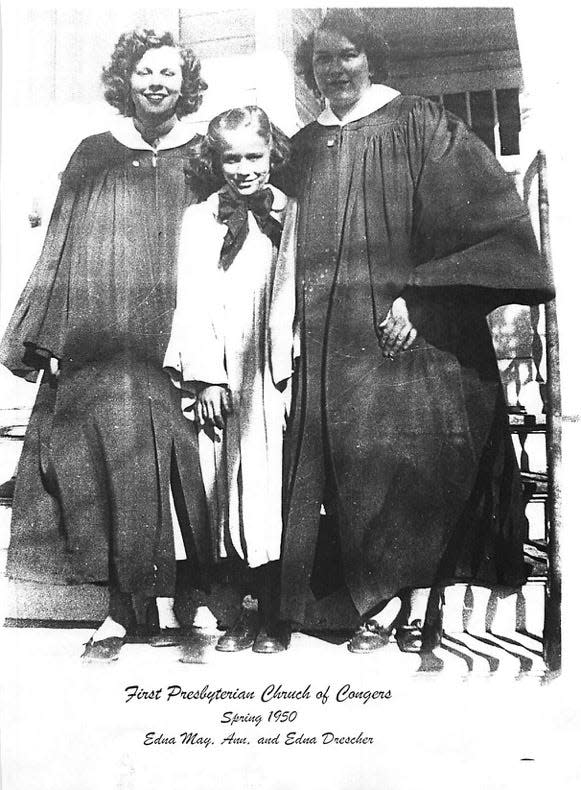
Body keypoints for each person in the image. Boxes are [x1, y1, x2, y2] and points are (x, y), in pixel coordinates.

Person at [277, 10, 554, 653]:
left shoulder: (421, 124)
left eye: (348, 55)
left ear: (371, 57)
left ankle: (407, 600)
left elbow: (489, 228)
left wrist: (420, 299)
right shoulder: (304, 146)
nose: (336, 69)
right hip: (327, 340)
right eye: (323, 59)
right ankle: (366, 600)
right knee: (350, 466)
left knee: (408, 464)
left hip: (407, 331)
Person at [0, 29, 210, 662]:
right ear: (127, 80)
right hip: (103, 334)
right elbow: (60, 241)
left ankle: (192, 599)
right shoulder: (94, 152)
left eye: (169, 72)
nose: (157, 82)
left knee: (185, 469)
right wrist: (50, 333)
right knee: (112, 467)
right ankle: (121, 612)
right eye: (145, 71)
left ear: (185, 82)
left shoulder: (203, 154)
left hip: (182, 331)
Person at [164, 106, 297, 653]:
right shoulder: (201, 219)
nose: (243, 168)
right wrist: (208, 378)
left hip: (277, 369)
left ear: (273, 154)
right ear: (215, 160)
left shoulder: (292, 212)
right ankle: (243, 611)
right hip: (224, 372)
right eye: (231, 157)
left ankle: (278, 612)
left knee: (276, 490)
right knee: (230, 490)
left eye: (254, 155)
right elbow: (191, 300)